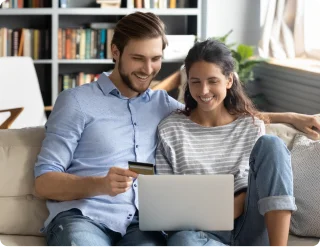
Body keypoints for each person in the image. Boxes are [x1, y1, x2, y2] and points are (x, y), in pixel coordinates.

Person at [34, 11, 320, 247]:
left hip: (139, 228)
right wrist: (98, 184)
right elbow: (43, 182)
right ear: (115, 52)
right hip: (84, 219)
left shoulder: (161, 104)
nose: (148, 69)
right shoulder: (76, 102)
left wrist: (291, 117)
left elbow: (217, 111)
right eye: (138, 58)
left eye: (155, 59)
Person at [155, 39, 297, 247]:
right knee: (182, 241)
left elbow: (256, 185)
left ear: (229, 80)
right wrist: (221, 209)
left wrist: (233, 205)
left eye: (212, 81)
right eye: (196, 81)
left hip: (251, 224)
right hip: (199, 232)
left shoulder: (251, 125)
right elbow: (166, 203)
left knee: (272, 144)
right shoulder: (170, 129)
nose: (204, 91)